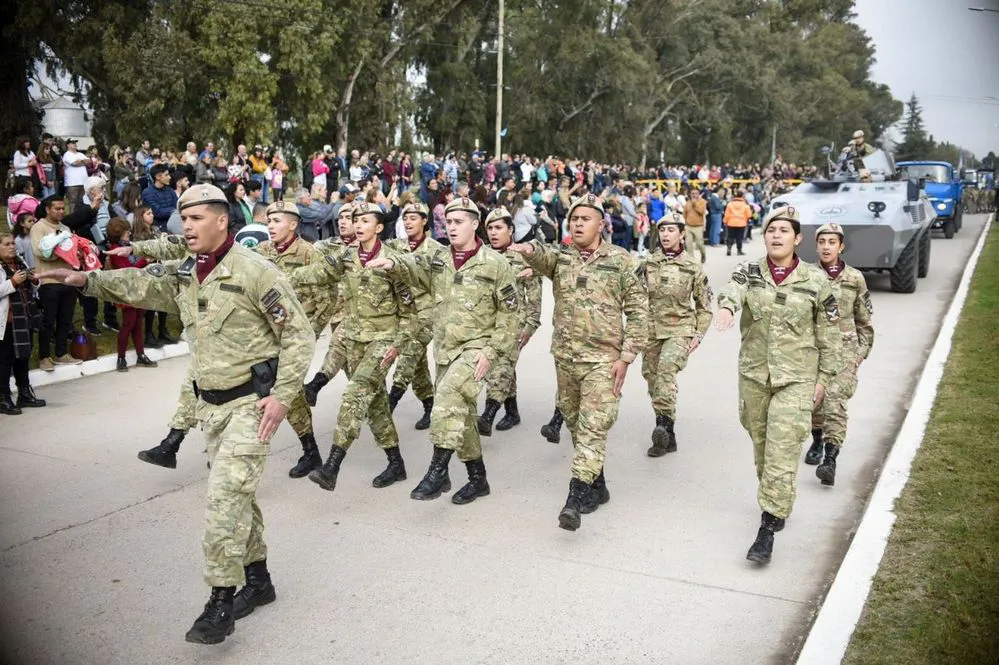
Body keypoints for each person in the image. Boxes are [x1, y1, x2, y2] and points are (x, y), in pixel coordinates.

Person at [37, 183, 316, 644]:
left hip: (252, 403)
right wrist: (90, 281)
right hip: (211, 407)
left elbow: (299, 335)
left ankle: (220, 602)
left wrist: (284, 396)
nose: (185, 226)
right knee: (238, 498)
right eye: (182, 219)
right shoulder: (190, 271)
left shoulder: (255, 272)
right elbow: (145, 284)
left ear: (222, 220)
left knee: (224, 501)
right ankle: (260, 582)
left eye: (196, 218)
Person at [365, 197, 519, 505]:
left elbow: (510, 314)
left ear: (475, 224)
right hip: (446, 351)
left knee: (445, 402)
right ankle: (478, 479)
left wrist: (492, 351)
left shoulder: (496, 264)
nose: (451, 227)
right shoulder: (440, 259)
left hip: (477, 349)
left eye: (458, 222)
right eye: (448, 222)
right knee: (460, 415)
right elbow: (415, 267)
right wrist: (392, 263)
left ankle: (438, 471)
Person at [509, 194, 648, 532]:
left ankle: (575, 496)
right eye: (574, 219)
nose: (578, 224)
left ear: (601, 224)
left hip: (603, 360)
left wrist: (627, 357)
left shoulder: (621, 261)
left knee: (592, 426)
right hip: (566, 359)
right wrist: (528, 249)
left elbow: (640, 311)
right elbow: (543, 258)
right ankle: (598, 486)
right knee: (573, 421)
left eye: (586, 219)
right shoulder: (562, 257)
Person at [714, 205, 842, 565]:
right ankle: (776, 496)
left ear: (797, 239)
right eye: (771, 229)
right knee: (762, 448)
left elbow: (830, 335)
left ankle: (767, 527)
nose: (776, 235)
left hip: (797, 379)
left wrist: (824, 379)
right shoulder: (750, 271)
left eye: (784, 230)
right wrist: (726, 308)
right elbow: (733, 290)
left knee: (782, 450)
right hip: (755, 375)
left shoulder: (816, 281)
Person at [291, 202, 417, 493]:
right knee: (376, 406)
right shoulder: (347, 257)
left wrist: (398, 345)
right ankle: (396, 463)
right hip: (354, 341)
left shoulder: (393, 262)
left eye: (365, 220)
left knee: (355, 394)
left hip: (383, 341)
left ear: (380, 227)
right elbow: (320, 273)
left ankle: (332, 466)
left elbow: (411, 312)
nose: (358, 225)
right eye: (355, 219)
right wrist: (282, 278)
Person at [256, 200, 337, 478]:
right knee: (260, 389)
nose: (271, 225)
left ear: (293, 224)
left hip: (293, 339)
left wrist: (307, 334)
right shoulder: (262, 252)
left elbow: (327, 299)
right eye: (269, 220)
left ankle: (310, 452)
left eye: (277, 221)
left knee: (286, 392)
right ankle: (238, 448)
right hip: (265, 336)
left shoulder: (308, 253)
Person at [803, 223, 874, 487]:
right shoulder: (807, 276)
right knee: (814, 401)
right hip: (813, 351)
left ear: (841, 246)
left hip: (845, 351)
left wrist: (860, 355)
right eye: (822, 242)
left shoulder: (855, 279)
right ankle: (817, 439)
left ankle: (830, 459)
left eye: (832, 242)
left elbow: (864, 322)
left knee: (834, 401)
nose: (826, 247)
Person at [641, 211, 712, 456]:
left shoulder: (693, 267)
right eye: (662, 230)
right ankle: (669, 437)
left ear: (682, 234)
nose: (665, 235)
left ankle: (663, 426)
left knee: (665, 373)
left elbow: (704, 307)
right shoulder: (648, 263)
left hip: (680, 329)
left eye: (671, 230)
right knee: (651, 378)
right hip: (651, 330)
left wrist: (698, 335)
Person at [477, 206, 542, 435]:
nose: (494, 233)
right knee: (504, 367)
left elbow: (534, 300)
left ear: (510, 230)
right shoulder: (482, 256)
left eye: (499, 228)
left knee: (501, 367)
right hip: (489, 324)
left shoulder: (525, 258)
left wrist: (530, 326)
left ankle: (488, 415)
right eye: (490, 228)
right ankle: (512, 411)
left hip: (516, 324)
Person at [385, 202, 440, 429]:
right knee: (418, 365)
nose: (408, 222)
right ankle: (430, 405)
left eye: (413, 218)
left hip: (428, 314)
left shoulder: (436, 249)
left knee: (410, 352)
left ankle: (390, 402)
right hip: (405, 314)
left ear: (424, 221)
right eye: (405, 218)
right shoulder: (395, 246)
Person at [301, 203, 355, 406]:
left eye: (348, 217)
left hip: (359, 314)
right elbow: (308, 255)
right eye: (340, 218)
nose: (342, 222)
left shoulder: (369, 248)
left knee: (338, 346)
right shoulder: (327, 245)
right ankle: (367, 397)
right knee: (349, 364)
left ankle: (316, 384)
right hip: (336, 311)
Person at [30, 196, 84, 371]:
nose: (61, 211)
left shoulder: (66, 228)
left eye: (62, 208)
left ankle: (61, 354)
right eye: (57, 208)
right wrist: (62, 253)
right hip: (49, 281)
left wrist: (76, 255)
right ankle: (44, 357)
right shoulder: (39, 227)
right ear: (47, 209)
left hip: (68, 280)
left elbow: (72, 251)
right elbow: (40, 252)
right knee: (48, 321)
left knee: (65, 320)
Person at [104, 218, 158, 372]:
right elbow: (128, 269)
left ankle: (141, 355)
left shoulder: (127, 246)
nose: (129, 232)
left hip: (137, 288)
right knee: (128, 324)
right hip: (126, 291)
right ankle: (121, 358)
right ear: (118, 233)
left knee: (138, 323)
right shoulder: (115, 249)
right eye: (125, 231)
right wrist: (145, 260)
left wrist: (146, 260)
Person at [0, 233, 46, 414]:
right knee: (4, 361)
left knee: (23, 358)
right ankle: (4, 398)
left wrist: (34, 280)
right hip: (7, 321)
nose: (12, 246)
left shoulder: (19, 262)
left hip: (24, 318)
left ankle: (24, 393)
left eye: (13, 243)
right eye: (7, 244)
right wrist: (12, 281)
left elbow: (34, 286)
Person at [723, 190, 752, 256]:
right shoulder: (745, 205)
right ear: (742, 196)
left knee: (730, 236)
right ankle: (739, 251)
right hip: (741, 223)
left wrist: (725, 221)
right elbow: (749, 215)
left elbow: (726, 214)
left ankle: (729, 249)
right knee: (739, 237)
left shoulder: (730, 204)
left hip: (731, 223)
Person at [683, 188, 708, 263]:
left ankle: (703, 254)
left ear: (698, 194)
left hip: (698, 226)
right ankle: (691, 260)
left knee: (700, 244)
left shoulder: (702, 202)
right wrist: (683, 225)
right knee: (688, 244)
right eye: (692, 193)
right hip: (688, 226)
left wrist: (695, 204)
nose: (694, 195)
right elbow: (684, 214)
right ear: (690, 194)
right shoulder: (687, 203)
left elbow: (702, 211)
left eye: (696, 193)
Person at [62, 139, 89, 206]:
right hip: (72, 184)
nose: (75, 144)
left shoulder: (80, 154)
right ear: (68, 145)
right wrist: (83, 162)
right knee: (73, 205)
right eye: (72, 143)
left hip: (84, 183)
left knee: (83, 203)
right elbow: (75, 163)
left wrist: (80, 161)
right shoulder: (67, 154)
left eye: (75, 143)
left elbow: (89, 162)